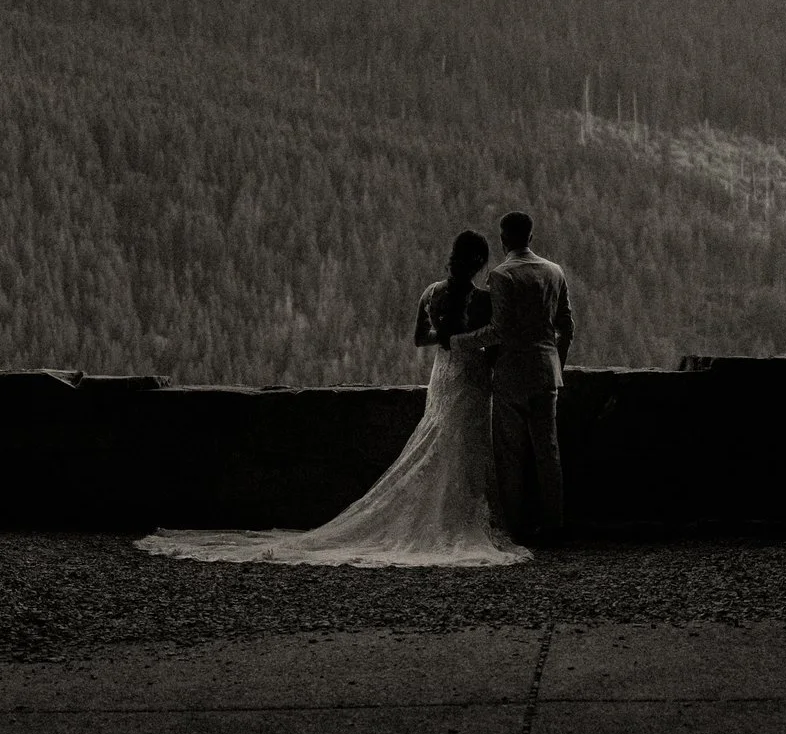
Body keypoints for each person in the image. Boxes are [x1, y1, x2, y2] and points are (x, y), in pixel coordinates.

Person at [134, 229, 529, 567]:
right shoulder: (482, 301)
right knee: (467, 447)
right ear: (479, 262)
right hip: (472, 380)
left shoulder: (431, 293)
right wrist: (469, 348)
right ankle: (460, 519)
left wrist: (445, 339)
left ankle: (445, 517)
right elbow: (492, 344)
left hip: (443, 377)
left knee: (441, 442)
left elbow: (419, 339)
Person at [450, 210, 571, 542]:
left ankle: (514, 527)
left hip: (512, 375)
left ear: (503, 239)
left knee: (510, 454)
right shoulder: (554, 272)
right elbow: (567, 327)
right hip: (547, 373)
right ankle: (554, 524)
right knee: (549, 451)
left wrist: (458, 342)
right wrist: (556, 363)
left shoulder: (502, 276)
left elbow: (498, 332)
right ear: (531, 237)